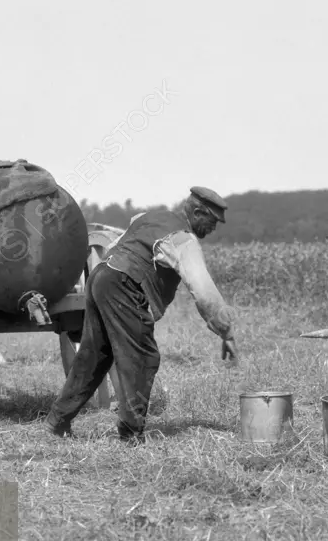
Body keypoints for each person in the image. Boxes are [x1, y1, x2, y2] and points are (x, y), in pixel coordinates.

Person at [45, 186, 239, 443]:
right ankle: (131, 433)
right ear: (197, 211)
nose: (213, 228)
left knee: (95, 355)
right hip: (123, 284)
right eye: (211, 221)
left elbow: (117, 244)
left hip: (101, 276)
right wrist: (225, 331)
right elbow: (202, 289)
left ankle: (57, 421)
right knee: (142, 357)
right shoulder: (183, 239)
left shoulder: (149, 217)